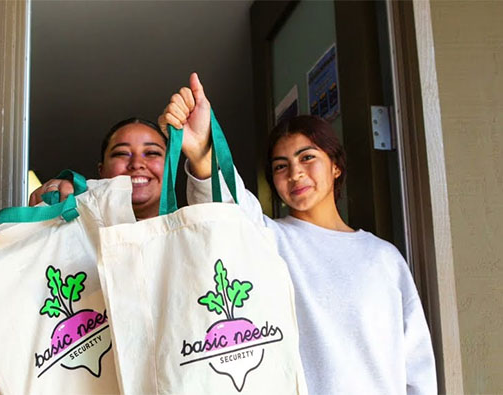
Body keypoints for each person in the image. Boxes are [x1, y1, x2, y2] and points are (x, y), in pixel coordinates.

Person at [160, 72, 437, 394]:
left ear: (336, 166)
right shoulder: (270, 240)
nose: (295, 173)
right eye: (280, 166)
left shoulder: (384, 257)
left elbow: (416, 364)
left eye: (308, 157)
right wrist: (203, 151)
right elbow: (227, 213)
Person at [29, 117, 167, 220]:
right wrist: (49, 212)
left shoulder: (187, 232)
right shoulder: (75, 229)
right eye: (122, 153)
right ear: (101, 170)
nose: (137, 163)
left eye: (152, 153)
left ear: (170, 169)